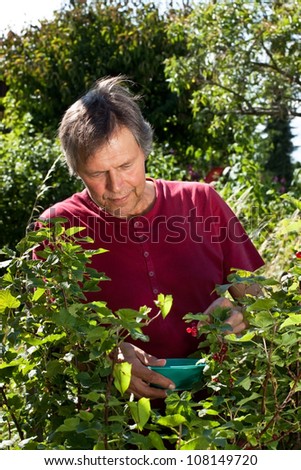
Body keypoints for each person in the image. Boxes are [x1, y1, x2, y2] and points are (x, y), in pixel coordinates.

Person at [36, 76, 264, 400]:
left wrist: (240, 312)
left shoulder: (202, 202)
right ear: (77, 170)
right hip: (112, 423)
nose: (116, 187)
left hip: (219, 406)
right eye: (97, 174)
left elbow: (258, 298)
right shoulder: (57, 228)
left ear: (144, 150)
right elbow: (47, 337)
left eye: (126, 165)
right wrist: (107, 353)